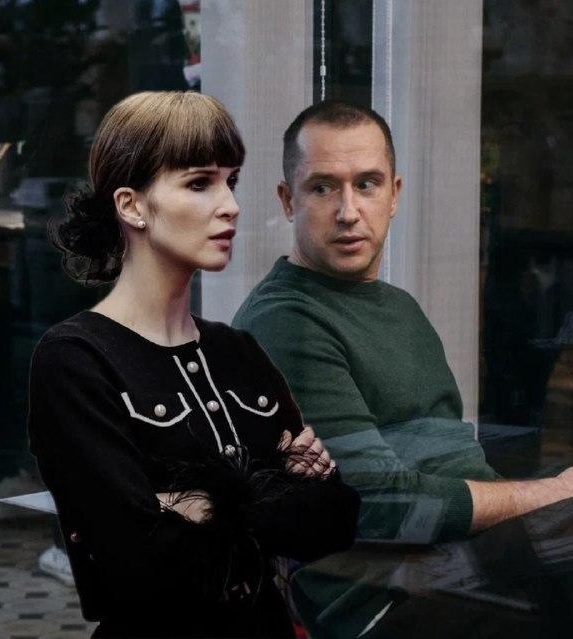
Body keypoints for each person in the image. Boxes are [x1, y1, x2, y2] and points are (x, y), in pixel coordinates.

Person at [27, 91, 360, 638]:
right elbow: (140, 562)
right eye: (200, 183)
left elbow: (334, 518)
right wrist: (272, 487)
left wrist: (201, 503)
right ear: (132, 206)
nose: (230, 205)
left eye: (231, 181)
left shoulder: (238, 351)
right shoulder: (75, 360)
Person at [232, 100, 573, 545]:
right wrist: (550, 495)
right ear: (288, 200)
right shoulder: (285, 322)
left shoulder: (400, 307)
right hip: (381, 580)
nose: (348, 211)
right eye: (322, 188)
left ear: (394, 195)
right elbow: (378, 506)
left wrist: (561, 493)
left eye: (366, 184)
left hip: (462, 561)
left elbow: (453, 469)